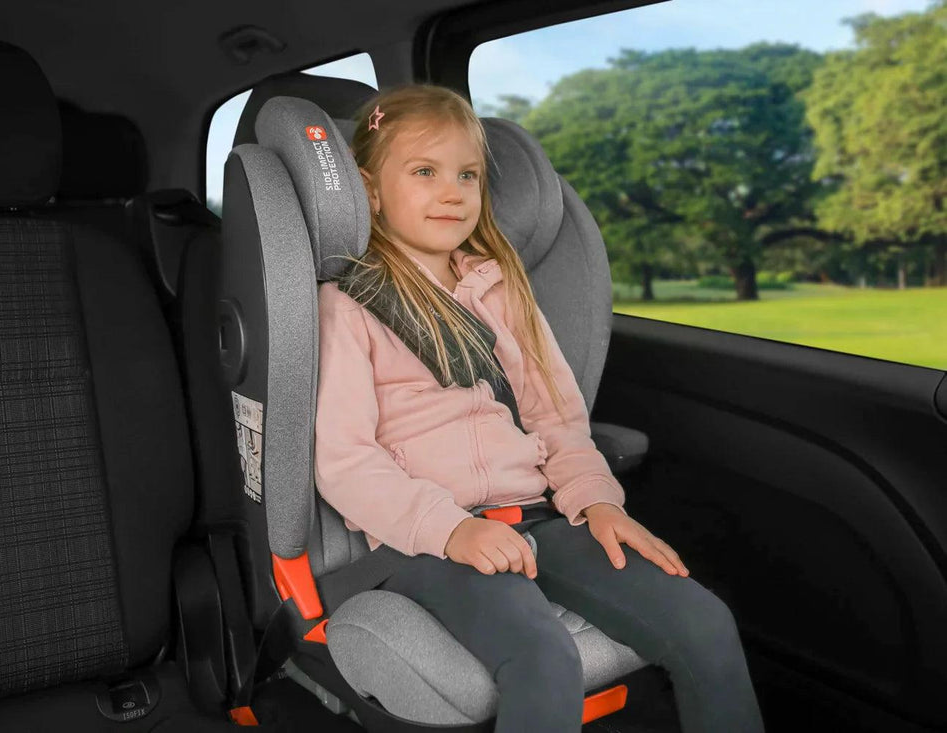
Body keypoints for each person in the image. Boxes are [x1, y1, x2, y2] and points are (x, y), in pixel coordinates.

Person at [313, 84, 764, 733]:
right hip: (428, 542)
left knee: (705, 621)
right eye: (425, 172)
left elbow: (557, 420)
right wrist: (452, 530)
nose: (452, 192)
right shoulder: (348, 306)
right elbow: (347, 461)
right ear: (370, 189)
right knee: (544, 656)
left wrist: (597, 500)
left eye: (467, 175)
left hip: (538, 517)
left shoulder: (499, 287)